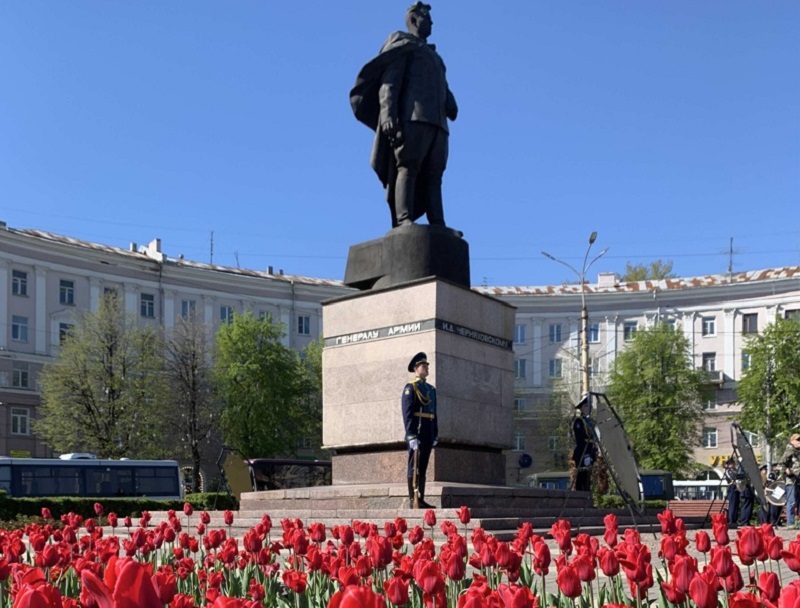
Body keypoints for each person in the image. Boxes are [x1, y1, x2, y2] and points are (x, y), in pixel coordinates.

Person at [351, 2, 459, 229]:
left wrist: (450, 101)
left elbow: (443, 86)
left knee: (434, 175)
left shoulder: (435, 57)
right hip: (413, 118)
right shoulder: (404, 46)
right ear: (414, 20)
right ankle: (404, 219)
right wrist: (388, 114)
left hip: (438, 123)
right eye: (427, 18)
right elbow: (389, 83)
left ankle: (438, 223)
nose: (431, 23)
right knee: (408, 167)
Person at [402, 352, 438, 508]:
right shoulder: (411, 388)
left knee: (423, 465)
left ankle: (420, 498)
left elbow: (433, 413)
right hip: (417, 430)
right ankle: (412, 499)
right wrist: (410, 435)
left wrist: (435, 433)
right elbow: (407, 413)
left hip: (428, 430)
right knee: (414, 464)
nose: (426, 367)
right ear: (416, 369)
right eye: (423, 366)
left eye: (427, 365)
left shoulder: (430, 389)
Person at [571, 395, 597, 492]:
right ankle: (580, 494)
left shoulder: (590, 421)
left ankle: (587, 493)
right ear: (582, 408)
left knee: (588, 476)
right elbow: (580, 439)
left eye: (590, 406)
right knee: (581, 475)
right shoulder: (579, 421)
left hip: (590, 450)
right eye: (587, 406)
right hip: (583, 450)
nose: (589, 408)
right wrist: (585, 453)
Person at [781, 433, 800, 525]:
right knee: (791, 501)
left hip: (799, 479)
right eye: (798, 440)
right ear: (792, 441)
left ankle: (798, 522)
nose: (799, 442)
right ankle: (790, 522)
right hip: (791, 479)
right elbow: (782, 464)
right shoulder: (789, 451)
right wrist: (787, 470)